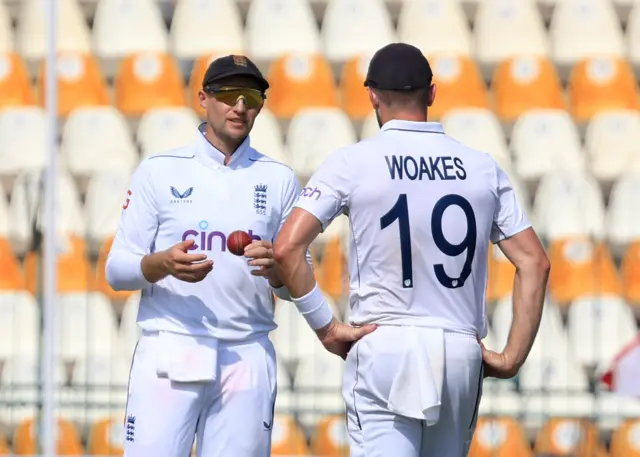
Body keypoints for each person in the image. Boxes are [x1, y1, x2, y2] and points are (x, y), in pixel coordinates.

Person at [273, 43, 551, 457]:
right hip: (460, 349)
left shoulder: (353, 161)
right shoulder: (481, 166)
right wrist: (511, 357)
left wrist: (326, 327)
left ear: (371, 95)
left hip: (385, 343)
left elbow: (287, 247)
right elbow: (535, 262)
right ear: (432, 94)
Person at [105, 54, 364, 457]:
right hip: (172, 345)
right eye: (228, 94)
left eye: (251, 96)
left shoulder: (276, 179)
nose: (240, 106)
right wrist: (161, 264)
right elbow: (117, 271)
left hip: (247, 351)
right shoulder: (159, 171)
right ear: (202, 98)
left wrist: (277, 270)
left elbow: (297, 277)